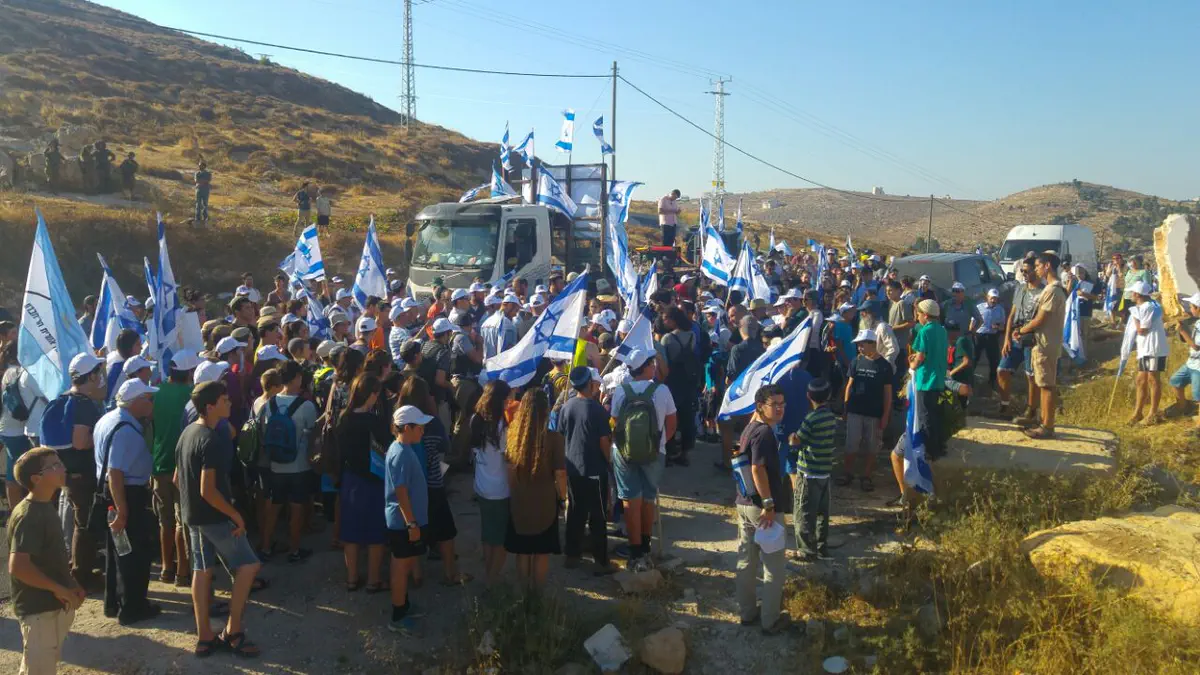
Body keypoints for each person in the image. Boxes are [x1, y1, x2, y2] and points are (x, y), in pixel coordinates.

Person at [176, 380, 263, 658]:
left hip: (193, 516)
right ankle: (233, 631)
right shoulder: (211, 440)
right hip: (214, 517)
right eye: (225, 400)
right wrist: (236, 515)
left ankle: (204, 636)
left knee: (202, 572)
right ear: (210, 406)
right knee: (249, 566)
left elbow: (178, 479)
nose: (230, 403)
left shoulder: (187, 432)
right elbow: (208, 490)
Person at [7, 447, 85, 674]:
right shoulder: (29, 515)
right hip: (37, 610)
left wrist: (70, 583)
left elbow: (51, 557)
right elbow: (18, 566)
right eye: (55, 466)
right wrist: (59, 589)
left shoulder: (45, 506)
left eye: (60, 462)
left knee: (42, 665)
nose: (63, 468)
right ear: (36, 479)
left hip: (52, 605)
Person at [95, 378, 160, 625]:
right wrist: (123, 510)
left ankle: (114, 603)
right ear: (136, 402)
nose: (152, 403)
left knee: (117, 550)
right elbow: (115, 472)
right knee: (134, 553)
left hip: (114, 491)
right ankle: (133, 608)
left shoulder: (108, 419)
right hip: (126, 493)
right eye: (149, 398)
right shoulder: (125, 429)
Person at [41, 353, 106, 592]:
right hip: (81, 474)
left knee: (74, 521)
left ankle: (73, 567)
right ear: (91, 376)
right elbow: (80, 441)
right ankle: (81, 576)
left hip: (65, 472)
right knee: (83, 524)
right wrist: (99, 437)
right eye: (98, 373)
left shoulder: (62, 398)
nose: (100, 377)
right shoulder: (84, 404)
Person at [609, 349, 675, 572]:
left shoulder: (621, 390)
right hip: (654, 452)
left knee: (630, 500)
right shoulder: (662, 390)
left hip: (623, 452)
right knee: (648, 499)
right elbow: (671, 423)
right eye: (652, 363)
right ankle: (646, 548)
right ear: (645, 367)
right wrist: (659, 444)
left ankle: (635, 551)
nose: (655, 366)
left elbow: (615, 421)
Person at [398, 377, 469, 584]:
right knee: (445, 530)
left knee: (413, 528)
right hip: (433, 483)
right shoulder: (431, 422)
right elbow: (445, 447)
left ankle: (416, 574)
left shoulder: (399, 420)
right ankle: (450, 573)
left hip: (409, 485)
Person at [734, 385, 789, 634]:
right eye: (774, 404)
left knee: (746, 562)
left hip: (744, 503)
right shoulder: (765, 433)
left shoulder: (749, 428)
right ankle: (770, 620)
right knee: (773, 567)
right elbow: (757, 468)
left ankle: (747, 613)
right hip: (763, 509)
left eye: (782, 403)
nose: (780, 408)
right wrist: (768, 503)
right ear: (759, 406)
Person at [504, 389, 567, 589]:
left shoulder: (512, 436)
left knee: (523, 551)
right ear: (545, 410)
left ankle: (523, 593)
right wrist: (563, 497)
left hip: (519, 499)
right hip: (545, 502)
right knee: (541, 552)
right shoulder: (554, 438)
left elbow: (509, 470)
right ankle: (537, 594)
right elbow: (560, 474)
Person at [335, 373, 392, 592]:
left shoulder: (344, 417)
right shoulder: (374, 421)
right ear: (372, 395)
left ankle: (351, 578)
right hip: (373, 478)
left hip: (350, 478)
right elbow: (387, 446)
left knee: (351, 531)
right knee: (375, 532)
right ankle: (373, 580)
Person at [258, 361, 319, 563]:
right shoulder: (306, 406)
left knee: (274, 508)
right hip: (299, 466)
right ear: (296, 378)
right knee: (296, 509)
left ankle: (266, 547)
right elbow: (312, 434)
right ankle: (294, 550)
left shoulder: (270, 404)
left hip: (275, 465)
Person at [559, 366, 615, 575]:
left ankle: (572, 554)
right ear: (590, 384)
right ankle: (601, 560)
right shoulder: (597, 410)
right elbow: (604, 441)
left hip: (573, 468)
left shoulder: (567, 406)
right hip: (594, 469)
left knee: (575, 511)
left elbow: (561, 435)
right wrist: (609, 460)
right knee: (598, 516)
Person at [150, 351, 198, 587]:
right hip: (181, 465)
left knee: (165, 521)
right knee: (182, 521)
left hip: (159, 463)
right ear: (189, 372)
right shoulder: (192, 395)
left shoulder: (155, 392)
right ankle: (183, 571)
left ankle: (166, 568)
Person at [385, 405, 433, 633]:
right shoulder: (401, 454)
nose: (422, 431)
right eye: (419, 427)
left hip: (405, 520)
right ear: (407, 428)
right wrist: (411, 523)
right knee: (400, 567)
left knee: (403, 565)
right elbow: (401, 491)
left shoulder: (403, 448)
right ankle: (397, 615)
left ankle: (403, 604)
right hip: (403, 522)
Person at [1015, 253, 1067, 439]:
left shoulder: (1052, 290)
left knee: (1046, 386)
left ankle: (1047, 426)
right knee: (1043, 383)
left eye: (1038, 266)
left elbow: (1040, 319)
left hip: (1046, 343)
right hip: (1044, 342)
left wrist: (1021, 331)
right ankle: (1043, 421)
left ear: (1047, 266)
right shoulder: (1053, 289)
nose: (1036, 269)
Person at [469, 381, 512, 584]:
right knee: (502, 538)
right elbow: (508, 459)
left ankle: (489, 573)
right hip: (500, 489)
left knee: (488, 534)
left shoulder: (476, 419)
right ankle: (492, 580)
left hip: (482, 485)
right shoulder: (501, 427)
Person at [841, 331, 893, 493]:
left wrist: (885, 415)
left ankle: (866, 476)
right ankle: (847, 473)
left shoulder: (884, 366)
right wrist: (845, 408)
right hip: (855, 410)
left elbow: (887, 393)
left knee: (872, 446)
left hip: (874, 413)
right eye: (858, 345)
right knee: (851, 443)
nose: (859, 348)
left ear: (873, 344)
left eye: (862, 344)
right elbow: (849, 386)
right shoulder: (856, 361)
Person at [2, 342, 46, 510]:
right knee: (19, 474)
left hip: (9, 428)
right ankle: (18, 512)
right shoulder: (20, 372)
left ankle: (15, 511)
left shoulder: (8, 372)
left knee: (14, 472)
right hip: (17, 429)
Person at [997, 256, 1043, 416]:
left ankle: (1031, 409)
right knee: (1002, 370)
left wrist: (1025, 332)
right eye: (1022, 271)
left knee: (1031, 375)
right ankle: (1005, 405)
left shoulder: (1043, 292)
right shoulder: (1020, 289)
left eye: (1026, 271)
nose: (1023, 274)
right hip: (1015, 336)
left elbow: (1041, 319)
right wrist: (1006, 339)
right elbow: (1012, 314)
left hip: (1032, 337)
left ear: (1036, 271)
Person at [659, 305, 698, 466]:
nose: (663, 322)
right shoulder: (692, 335)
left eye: (665, 319)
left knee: (669, 417)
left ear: (673, 320)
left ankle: (668, 453)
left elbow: (663, 362)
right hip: (688, 381)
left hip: (672, 382)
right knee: (687, 417)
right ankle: (684, 453)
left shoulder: (667, 339)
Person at [1126, 280, 1168, 427]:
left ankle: (1153, 413)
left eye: (1133, 292)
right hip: (1145, 348)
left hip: (1154, 347)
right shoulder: (1144, 307)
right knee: (1140, 380)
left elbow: (1142, 330)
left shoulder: (1149, 307)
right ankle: (1138, 412)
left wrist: (1135, 317)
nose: (1131, 294)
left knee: (1152, 378)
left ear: (1137, 294)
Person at [1167, 294, 1200, 435]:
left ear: (1198, 308)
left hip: (1198, 366)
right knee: (1175, 381)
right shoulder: (1197, 323)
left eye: (1192, 307)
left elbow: (1196, 346)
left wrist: (1181, 330)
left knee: (1198, 397)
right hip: (1191, 363)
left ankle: (1198, 427)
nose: (1190, 309)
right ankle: (1184, 406)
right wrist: (1183, 329)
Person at [973, 289, 1005, 393]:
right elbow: (973, 321)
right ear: (987, 297)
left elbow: (1003, 325)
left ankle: (992, 382)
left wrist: (998, 326)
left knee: (994, 360)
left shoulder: (1000, 310)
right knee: (974, 357)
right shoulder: (979, 307)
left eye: (995, 298)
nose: (993, 300)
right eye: (991, 298)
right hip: (979, 335)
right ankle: (969, 379)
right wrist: (971, 333)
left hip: (992, 336)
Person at [193, 160, 212, 226]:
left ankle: (205, 218)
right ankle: (197, 218)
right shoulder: (197, 173)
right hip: (198, 190)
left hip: (205, 191)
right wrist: (202, 181)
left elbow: (208, 180)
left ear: (204, 166)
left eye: (200, 165)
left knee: (205, 204)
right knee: (198, 204)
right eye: (199, 165)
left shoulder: (208, 173)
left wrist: (201, 181)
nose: (199, 167)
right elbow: (196, 180)